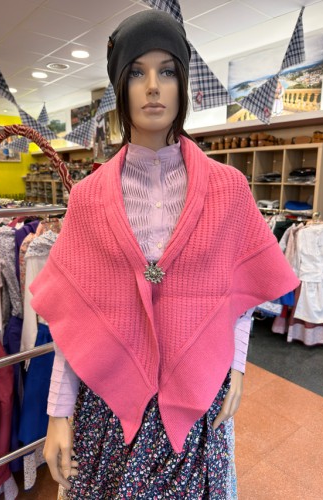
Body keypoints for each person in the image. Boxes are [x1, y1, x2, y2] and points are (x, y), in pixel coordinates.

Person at [29, 9, 299, 498]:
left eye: (167, 71)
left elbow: (237, 298)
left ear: (183, 84)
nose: (153, 86)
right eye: (137, 72)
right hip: (110, 415)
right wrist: (58, 413)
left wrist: (237, 367)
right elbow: (75, 320)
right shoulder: (88, 199)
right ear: (120, 86)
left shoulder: (228, 189)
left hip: (198, 406)